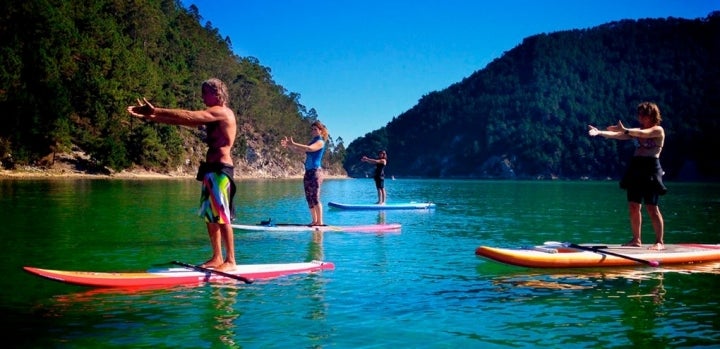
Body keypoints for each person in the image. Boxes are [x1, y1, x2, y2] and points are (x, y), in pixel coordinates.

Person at [127, 78, 239, 271]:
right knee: (210, 217)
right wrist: (151, 117)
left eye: (205, 92)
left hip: (221, 170)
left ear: (217, 93)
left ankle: (231, 261)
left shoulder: (221, 112)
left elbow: (188, 115)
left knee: (222, 216)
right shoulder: (212, 114)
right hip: (210, 170)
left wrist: (155, 111)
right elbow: (181, 120)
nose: (202, 96)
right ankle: (217, 257)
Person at [588, 101, 667, 250]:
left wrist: (625, 130)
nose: (639, 118)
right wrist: (599, 132)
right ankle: (636, 239)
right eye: (639, 115)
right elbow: (618, 135)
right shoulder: (635, 131)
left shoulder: (658, 130)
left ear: (651, 115)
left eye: (642, 115)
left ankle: (659, 242)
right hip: (636, 168)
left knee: (651, 207)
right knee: (633, 205)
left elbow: (642, 134)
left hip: (651, 168)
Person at [281, 121, 329, 226]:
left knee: (315, 197)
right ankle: (314, 221)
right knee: (309, 198)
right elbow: (299, 151)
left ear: (320, 131)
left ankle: (320, 222)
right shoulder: (312, 141)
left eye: (315, 129)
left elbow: (309, 149)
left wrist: (293, 143)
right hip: (308, 172)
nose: (313, 131)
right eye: (312, 129)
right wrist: (289, 146)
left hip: (316, 172)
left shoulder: (320, 142)